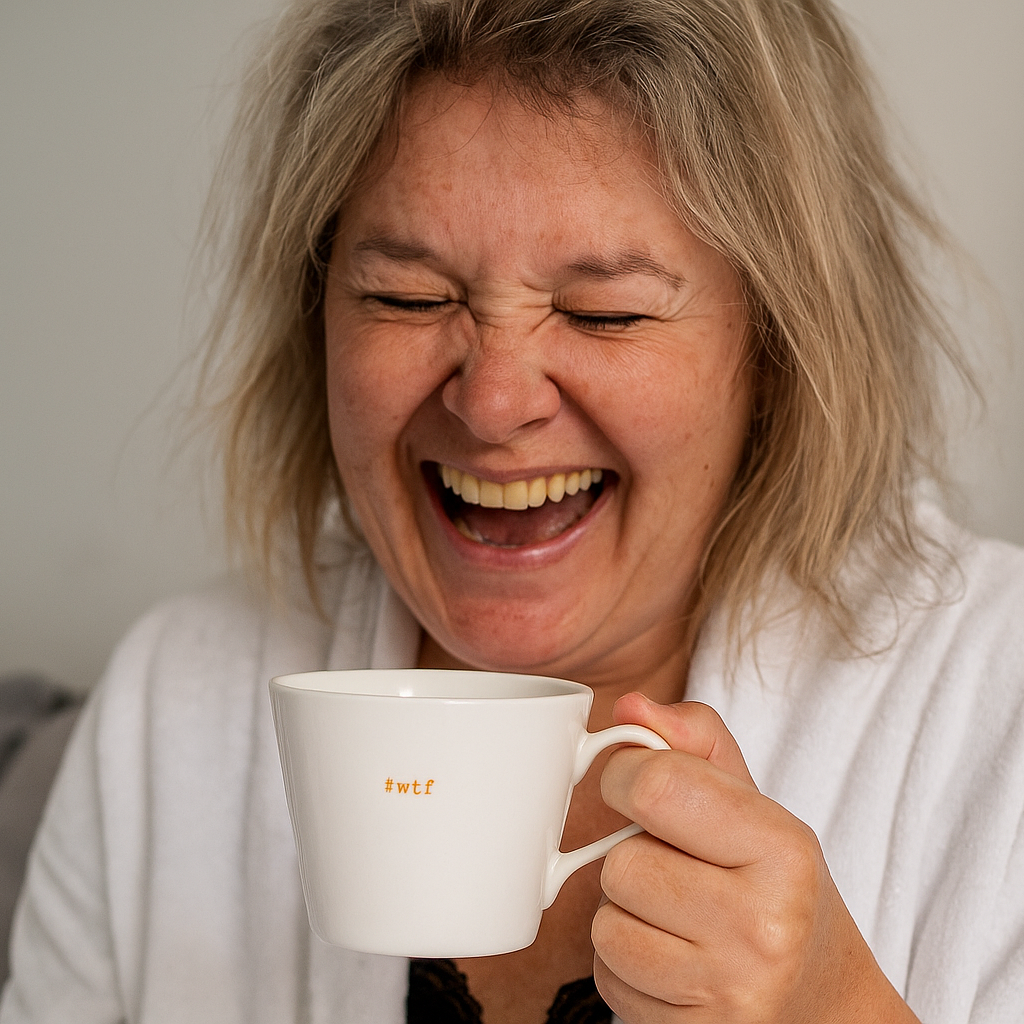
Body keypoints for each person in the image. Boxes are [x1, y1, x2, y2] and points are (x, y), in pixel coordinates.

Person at [2, 0, 1022, 1021]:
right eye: (405, 296)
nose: (491, 404)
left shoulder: (998, 706)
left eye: (602, 314)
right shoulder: (172, 702)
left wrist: (835, 1009)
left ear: (778, 347)